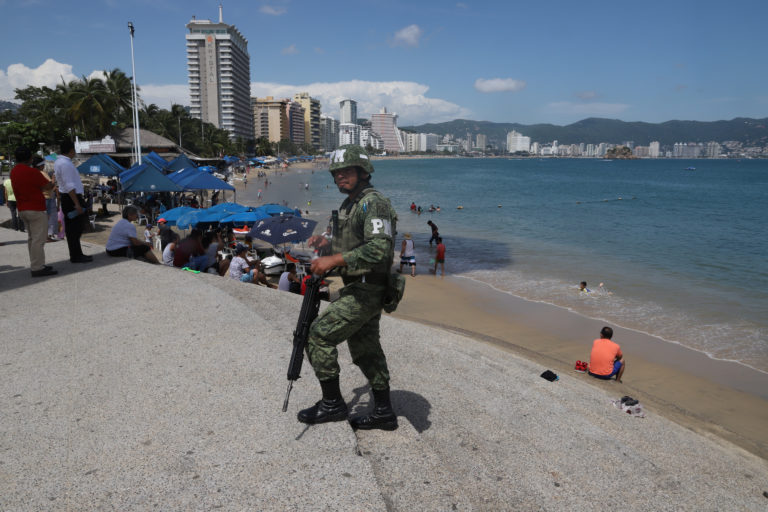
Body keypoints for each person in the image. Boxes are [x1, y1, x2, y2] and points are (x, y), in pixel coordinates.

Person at [300, 144, 399, 431]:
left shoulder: (373, 203)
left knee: (318, 335)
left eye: (347, 171)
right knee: (366, 350)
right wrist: (328, 246)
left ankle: (332, 405)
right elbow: (355, 245)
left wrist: (334, 258)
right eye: (337, 172)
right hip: (360, 285)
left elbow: (380, 249)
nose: (340, 177)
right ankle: (384, 412)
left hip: (367, 289)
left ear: (363, 171)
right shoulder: (351, 204)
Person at [10, 147, 57, 277]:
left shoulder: (14, 171)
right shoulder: (32, 172)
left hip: (23, 208)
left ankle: (37, 264)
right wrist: (53, 180)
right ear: (29, 158)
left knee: (32, 239)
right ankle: (37, 267)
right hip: (35, 209)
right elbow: (48, 186)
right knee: (38, 240)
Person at [54, 139, 92, 263]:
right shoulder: (65, 164)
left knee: (73, 228)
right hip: (71, 197)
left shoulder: (59, 162)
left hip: (67, 197)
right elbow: (69, 185)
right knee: (75, 227)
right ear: (71, 150)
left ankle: (77, 253)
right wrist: (77, 203)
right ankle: (76, 255)